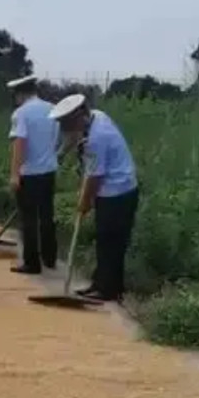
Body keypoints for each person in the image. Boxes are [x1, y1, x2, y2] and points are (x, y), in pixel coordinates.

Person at [49, 93, 139, 303]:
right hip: (112, 190)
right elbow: (75, 139)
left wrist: (84, 202)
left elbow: (94, 176)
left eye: (68, 123)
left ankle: (109, 290)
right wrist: (62, 153)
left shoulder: (98, 137)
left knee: (111, 241)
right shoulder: (96, 116)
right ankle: (101, 284)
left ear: (79, 117)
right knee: (104, 240)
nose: (67, 129)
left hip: (118, 192)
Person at [6, 74, 61, 274]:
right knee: (47, 215)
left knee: (28, 218)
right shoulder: (52, 108)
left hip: (29, 173)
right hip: (48, 171)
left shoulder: (21, 113)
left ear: (20, 94)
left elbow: (19, 143)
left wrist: (14, 174)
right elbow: (57, 139)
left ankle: (31, 262)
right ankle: (50, 257)